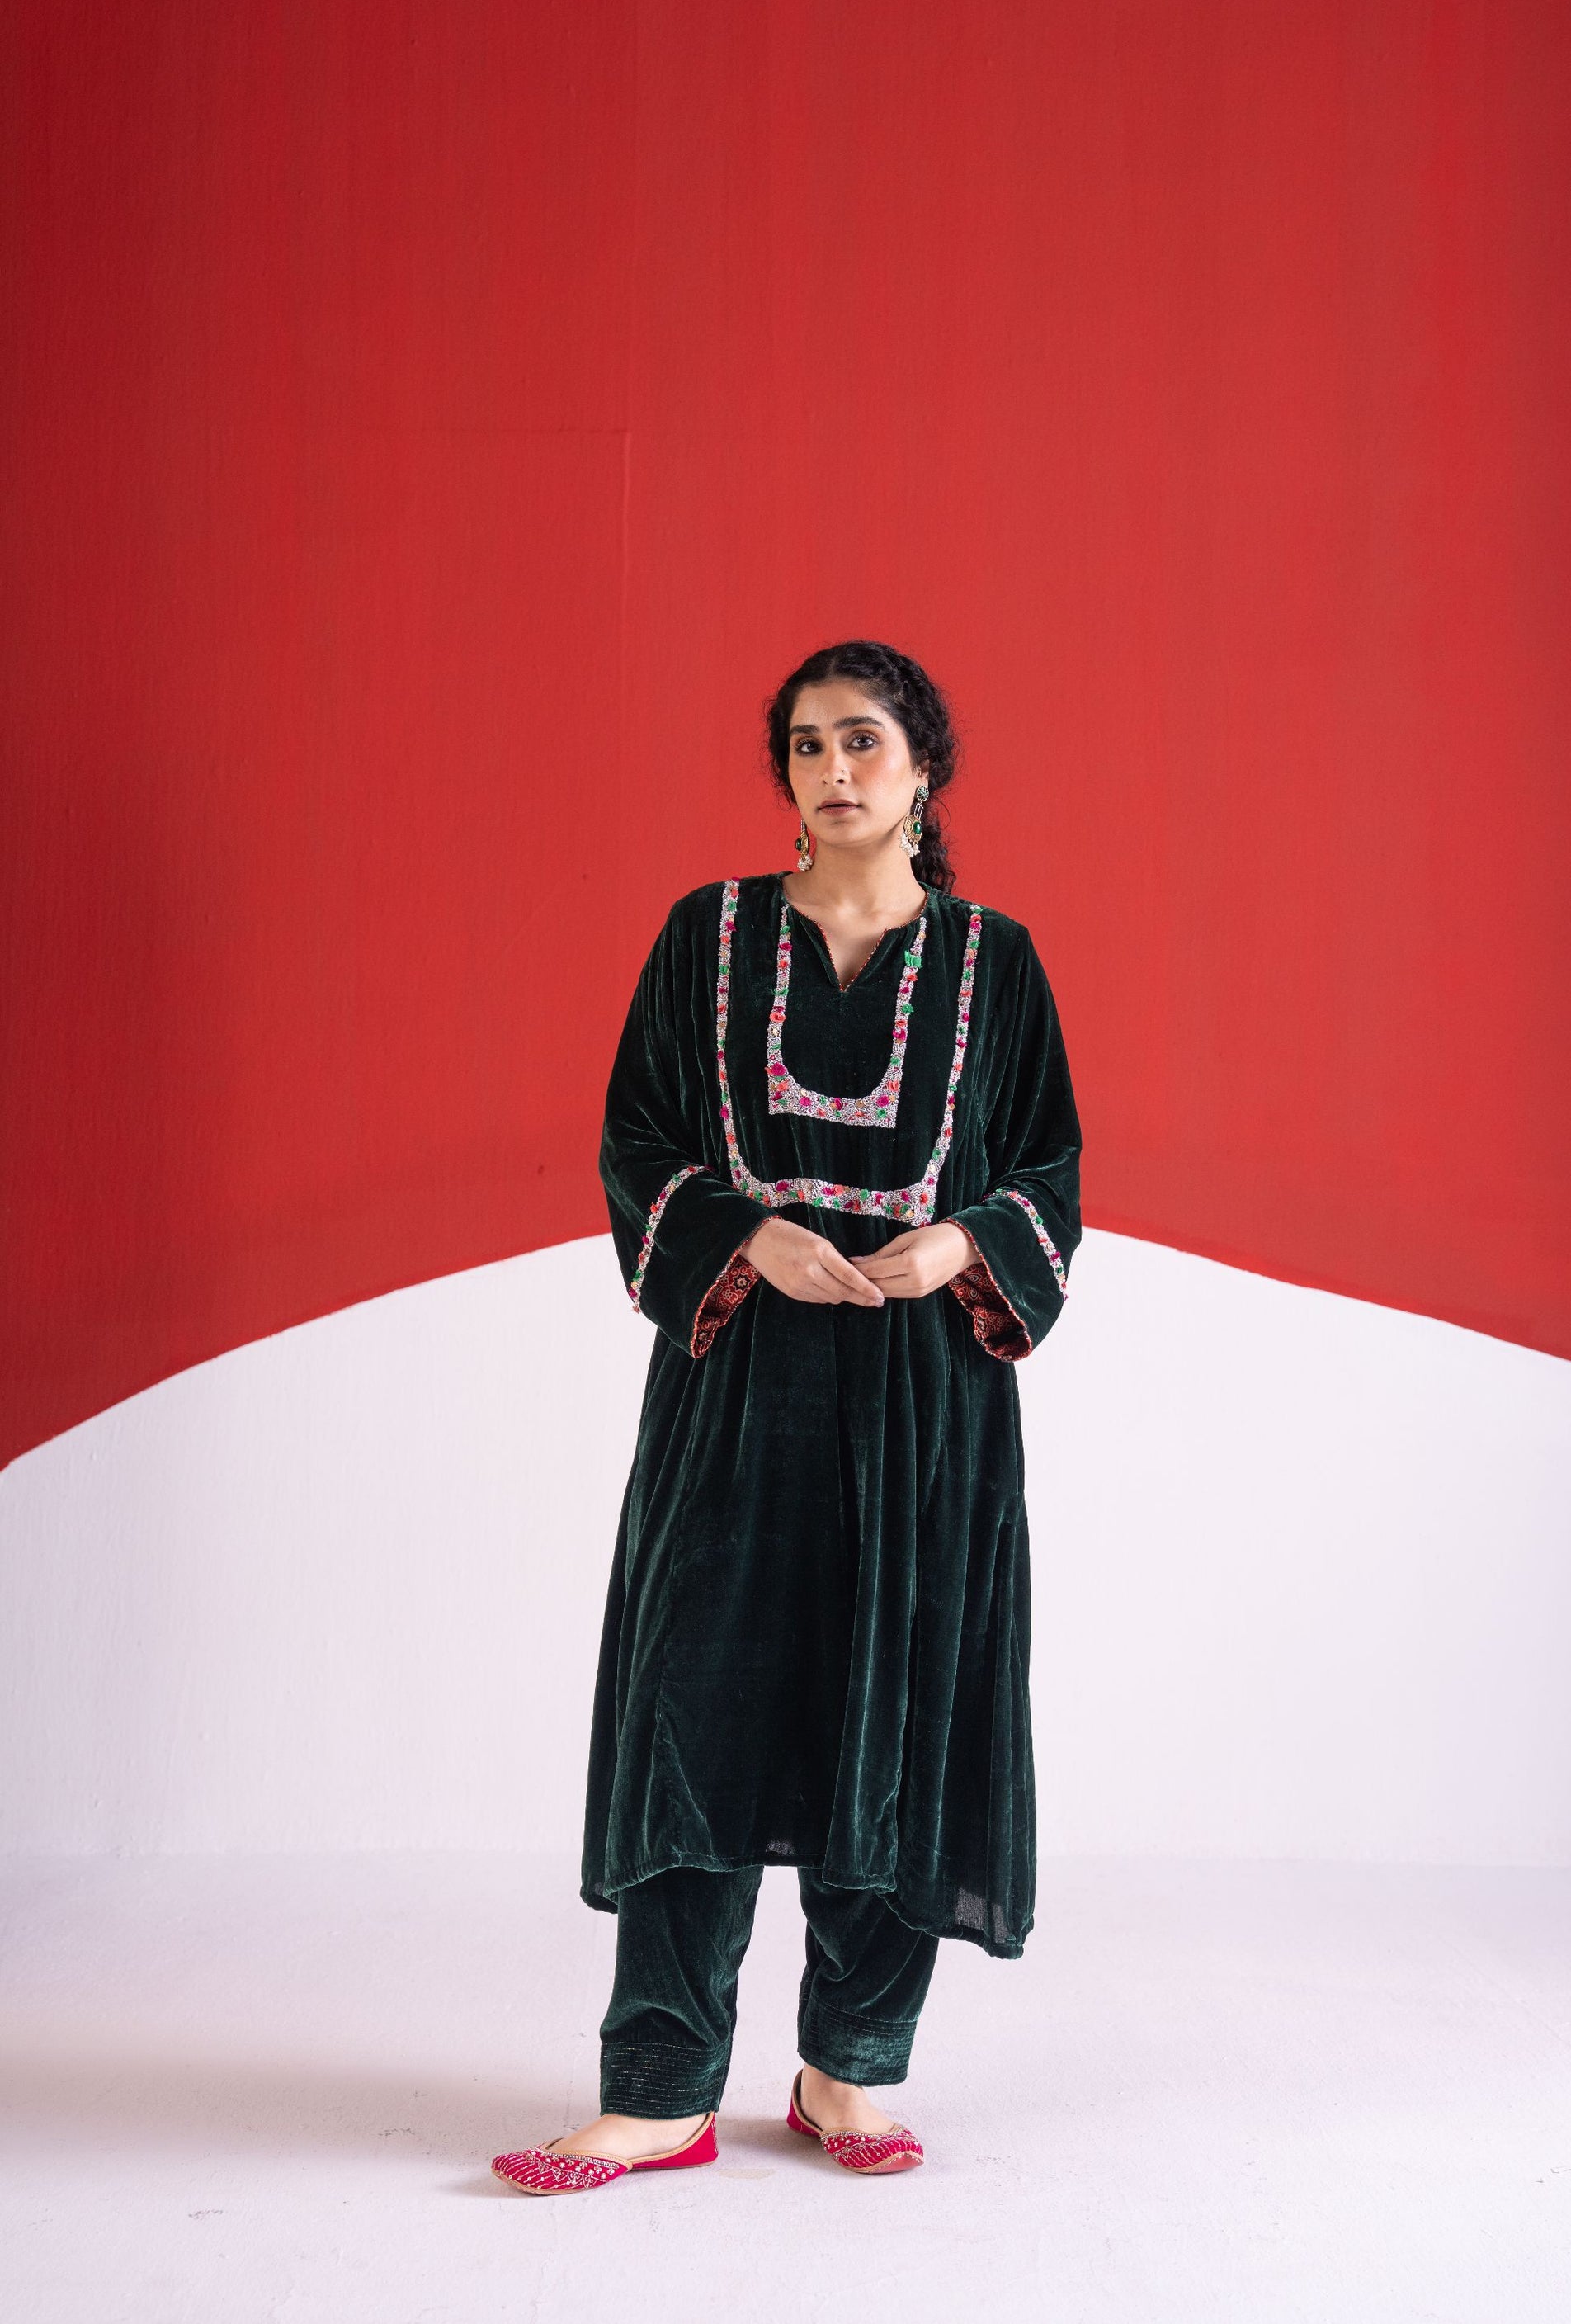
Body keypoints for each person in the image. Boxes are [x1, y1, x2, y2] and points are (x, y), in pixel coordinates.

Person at [491, 641, 1083, 2195]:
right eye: (808, 745)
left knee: (899, 1700)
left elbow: (1048, 1171)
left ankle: (849, 2072)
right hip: (739, 1378)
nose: (834, 770)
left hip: (924, 1393)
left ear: (922, 766)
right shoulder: (709, 936)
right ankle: (659, 2090)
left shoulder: (996, 963)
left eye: (863, 741)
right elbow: (636, 1137)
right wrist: (749, 1236)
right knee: (697, 1703)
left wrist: (960, 1245)